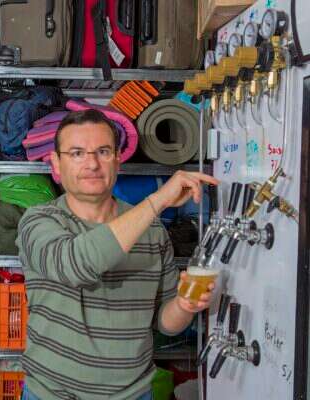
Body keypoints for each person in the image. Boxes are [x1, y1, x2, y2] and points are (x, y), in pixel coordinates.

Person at [16, 109, 219, 400]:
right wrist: (159, 200)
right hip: (51, 394)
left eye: (103, 151)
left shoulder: (152, 231)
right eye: (77, 153)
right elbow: (76, 265)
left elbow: (165, 323)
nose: (92, 164)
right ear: (56, 164)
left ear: (118, 159)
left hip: (132, 394)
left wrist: (185, 305)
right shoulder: (39, 221)